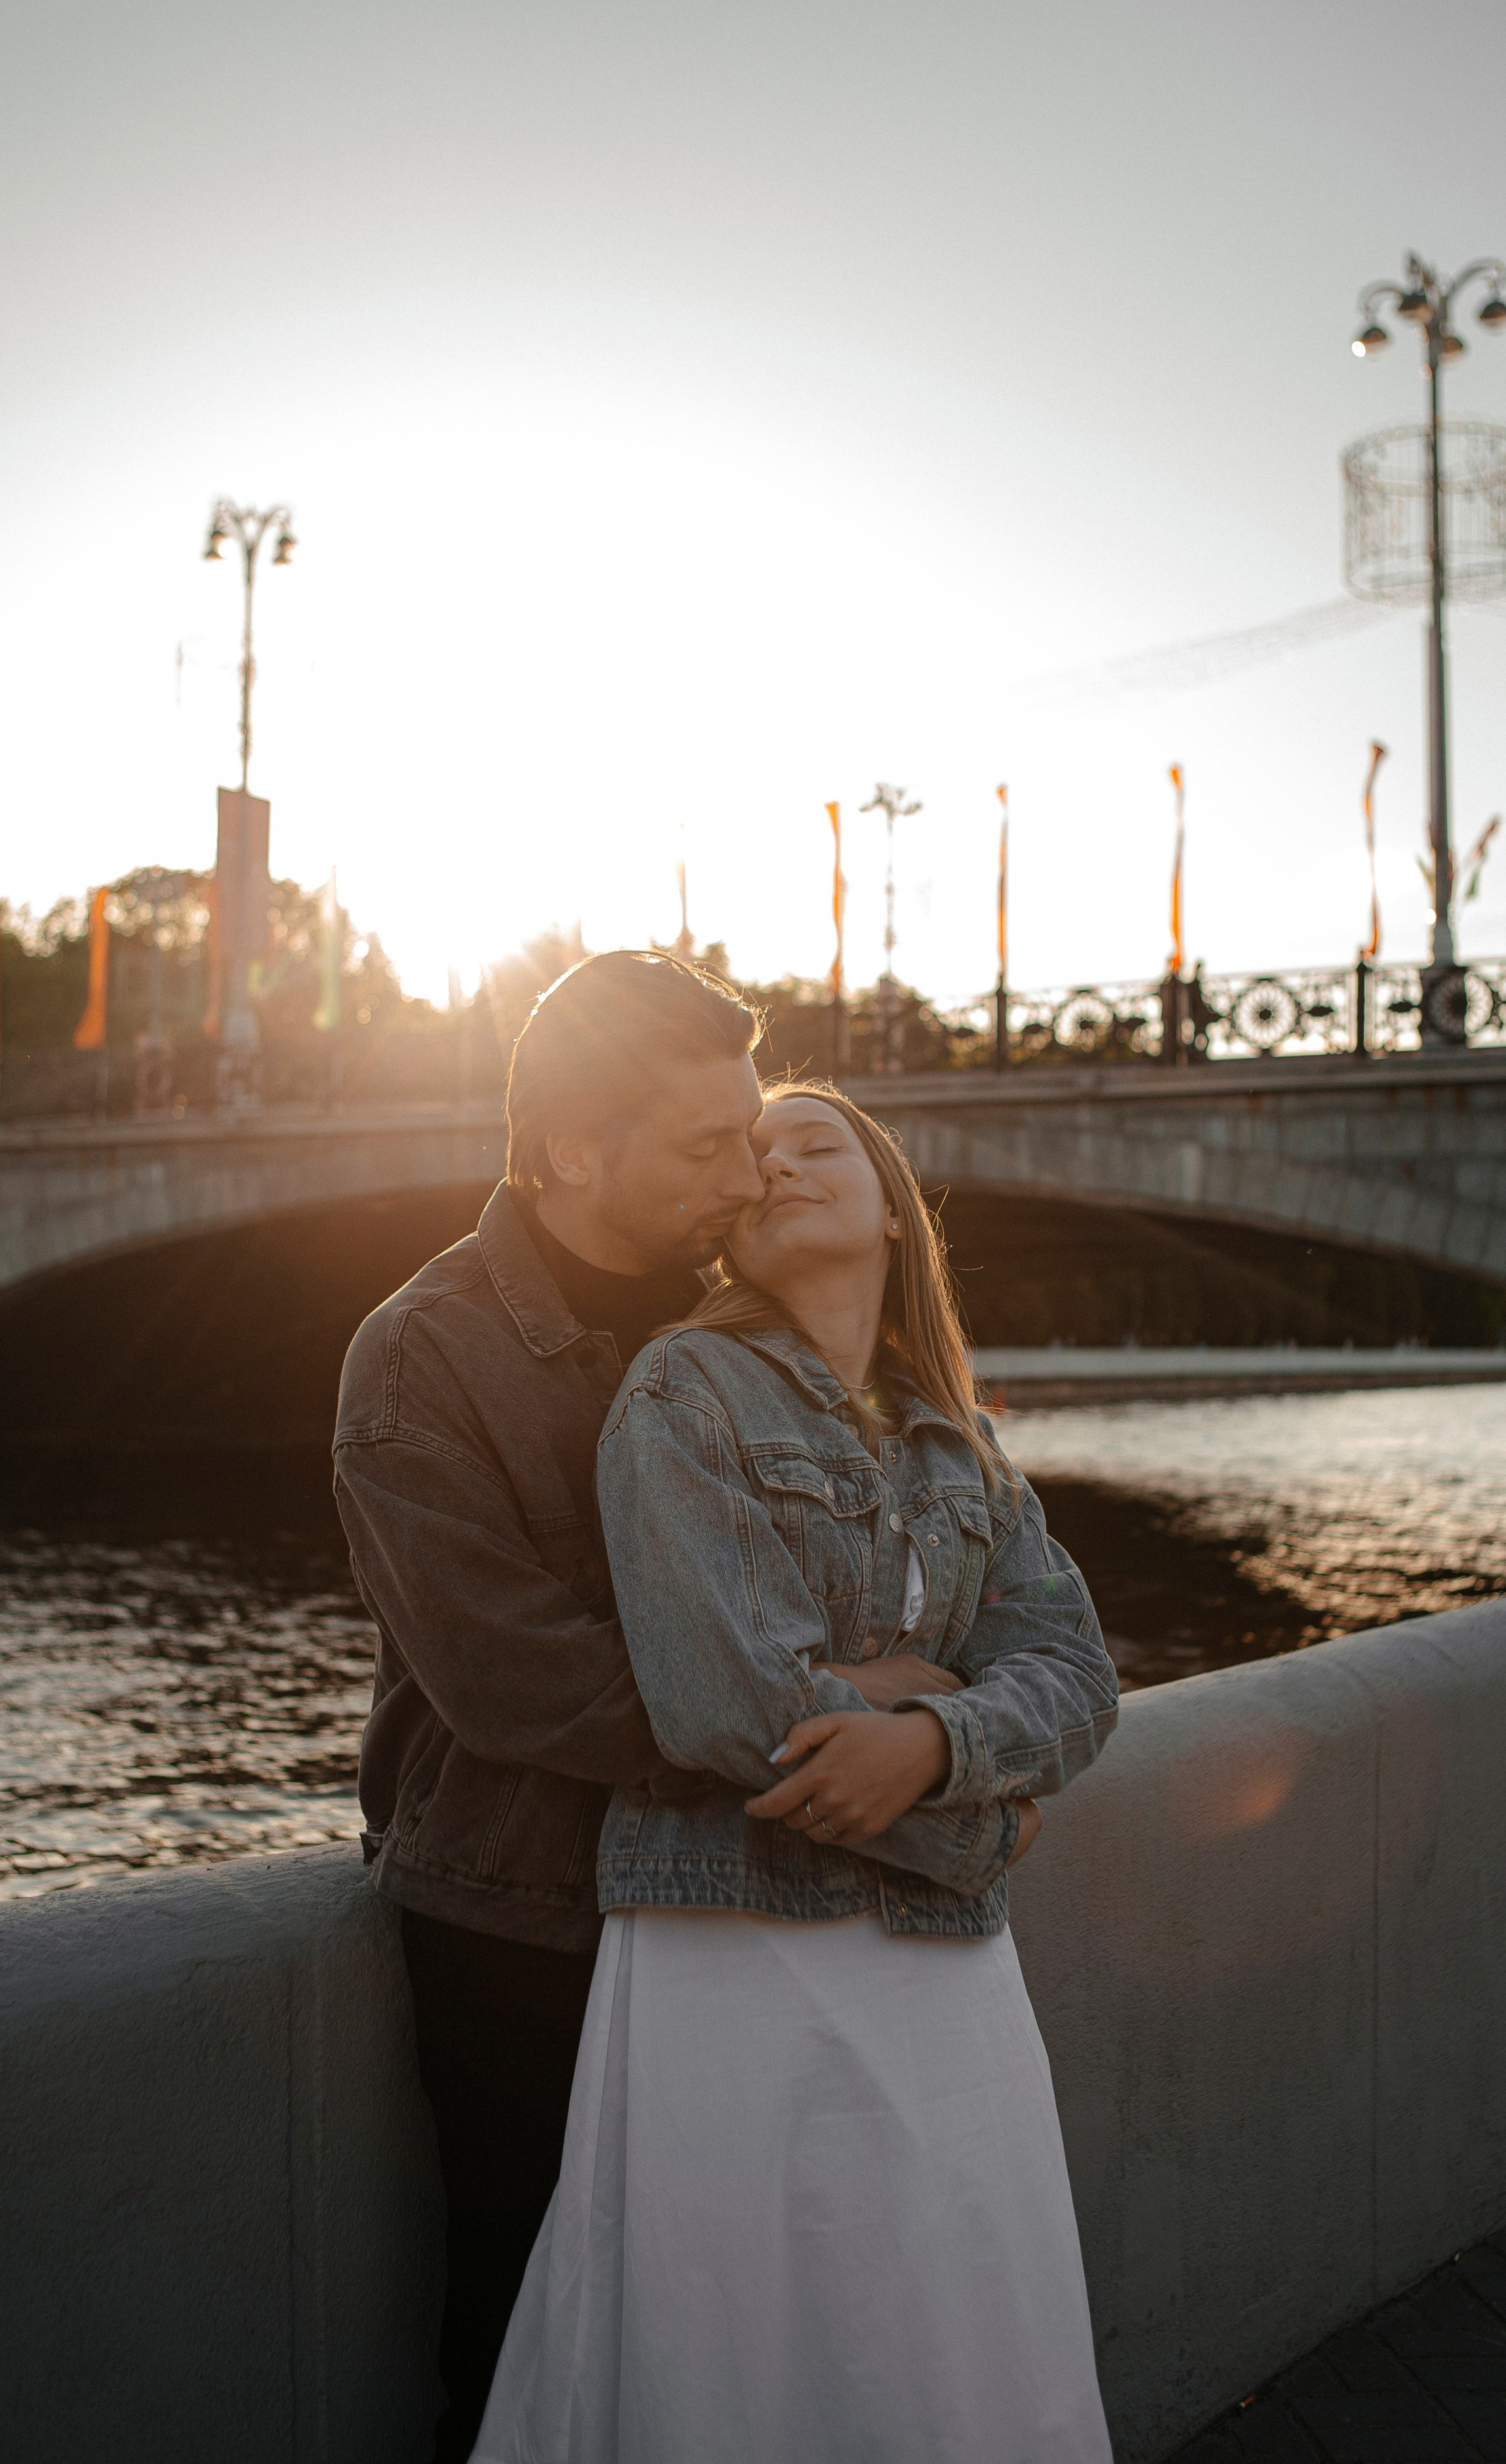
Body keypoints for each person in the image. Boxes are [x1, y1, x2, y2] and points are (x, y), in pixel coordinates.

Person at [475, 1082, 1120, 2464]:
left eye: (812, 1144)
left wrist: (934, 1741)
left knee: (951, 2338)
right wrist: (972, 1811)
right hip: (737, 1941)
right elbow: (721, 1697)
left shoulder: (967, 1449)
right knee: (742, 2349)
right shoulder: (678, 1388)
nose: (774, 1166)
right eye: (747, 1159)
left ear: (892, 1204)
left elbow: (1073, 1675)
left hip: (943, 1971)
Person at [336, 953, 893, 2462]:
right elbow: (516, 1675)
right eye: (706, 1147)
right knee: (534, 2338)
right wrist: (839, 1721)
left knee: (731, 2333)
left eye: (750, 1130)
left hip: (738, 1895)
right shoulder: (418, 1358)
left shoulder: (742, 1320)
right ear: (572, 1150)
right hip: (526, 1923)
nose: (745, 1172)